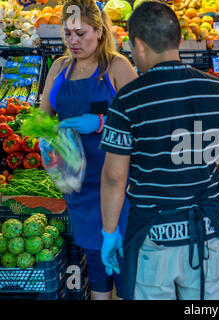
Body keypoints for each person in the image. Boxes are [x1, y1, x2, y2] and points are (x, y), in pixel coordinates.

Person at [99, 1, 219, 300]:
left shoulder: (129, 99)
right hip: (205, 231)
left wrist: (109, 233)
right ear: (177, 40)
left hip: (152, 237)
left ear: (138, 44)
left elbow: (114, 177)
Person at [39, 0, 138, 300]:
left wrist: (99, 122)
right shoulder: (59, 68)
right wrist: (45, 141)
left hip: (118, 183)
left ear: (99, 30)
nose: (73, 41)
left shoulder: (117, 67)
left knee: (121, 264)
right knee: (94, 262)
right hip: (78, 185)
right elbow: (43, 118)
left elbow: (142, 123)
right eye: (67, 34)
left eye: (80, 33)